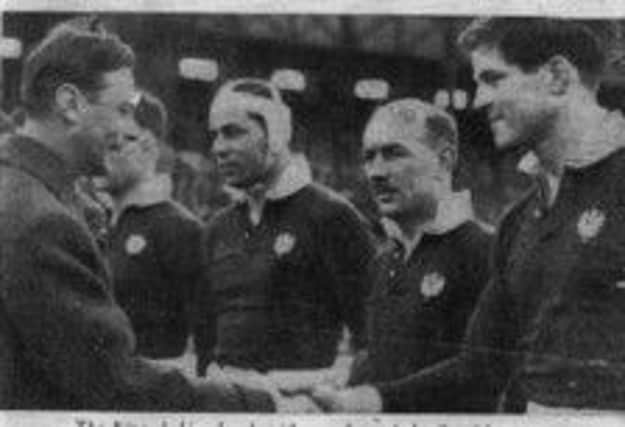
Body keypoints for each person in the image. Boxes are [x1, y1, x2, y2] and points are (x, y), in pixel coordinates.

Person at [312, 17, 625, 413]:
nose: (478, 100)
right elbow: (480, 367)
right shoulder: (518, 221)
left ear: (558, 77)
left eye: (493, 79)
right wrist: (361, 400)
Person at [0, 20, 275, 411]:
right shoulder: (43, 221)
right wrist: (255, 404)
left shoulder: (22, 191)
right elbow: (113, 383)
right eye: (122, 109)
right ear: (70, 104)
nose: (126, 126)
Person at [194, 78, 374, 380]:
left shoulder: (332, 216)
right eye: (215, 136)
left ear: (275, 135)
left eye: (233, 133)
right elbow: (205, 342)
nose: (218, 148)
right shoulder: (216, 229)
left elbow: (372, 335)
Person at [340, 98, 496, 412]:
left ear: (444, 160)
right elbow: (377, 359)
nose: (376, 172)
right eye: (369, 157)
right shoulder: (384, 260)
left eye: (394, 153)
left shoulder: (486, 250)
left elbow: (482, 371)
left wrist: (376, 400)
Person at [101, 91, 201, 366]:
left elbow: (205, 340)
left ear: (149, 147)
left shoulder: (180, 229)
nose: (101, 158)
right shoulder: (93, 222)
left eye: (114, 145)